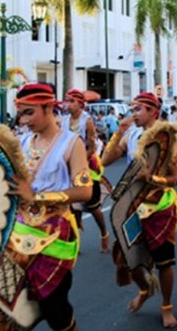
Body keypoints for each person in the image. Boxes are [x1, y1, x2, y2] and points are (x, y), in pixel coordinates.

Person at [0, 82, 92, 331]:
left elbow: (85, 191)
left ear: (48, 107)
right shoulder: (20, 143)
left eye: (29, 112)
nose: (23, 120)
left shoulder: (71, 143)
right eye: (20, 113)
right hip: (18, 235)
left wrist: (36, 198)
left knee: (55, 310)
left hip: (55, 235)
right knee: (3, 305)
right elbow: (14, 186)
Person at [102, 92, 177, 329]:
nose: (133, 113)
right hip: (132, 207)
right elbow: (105, 160)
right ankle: (145, 289)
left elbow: (173, 179)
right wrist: (118, 132)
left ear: (153, 112)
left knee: (164, 261)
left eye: (138, 109)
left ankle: (166, 307)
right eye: (132, 109)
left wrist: (152, 177)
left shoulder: (169, 139)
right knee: (127, 258)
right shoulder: (131, 134)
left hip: (159, 207)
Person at [62, 89, 110, 253]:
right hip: (70, 164)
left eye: (71, 101)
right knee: (72, 204)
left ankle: (104, 234)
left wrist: (79, 159)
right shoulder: (64, 120)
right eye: (66, 100)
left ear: (80, 104)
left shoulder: (86, 121)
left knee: (93, 205)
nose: (67, 104)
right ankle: (75, 240)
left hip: (87, 164)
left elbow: (92, 147)